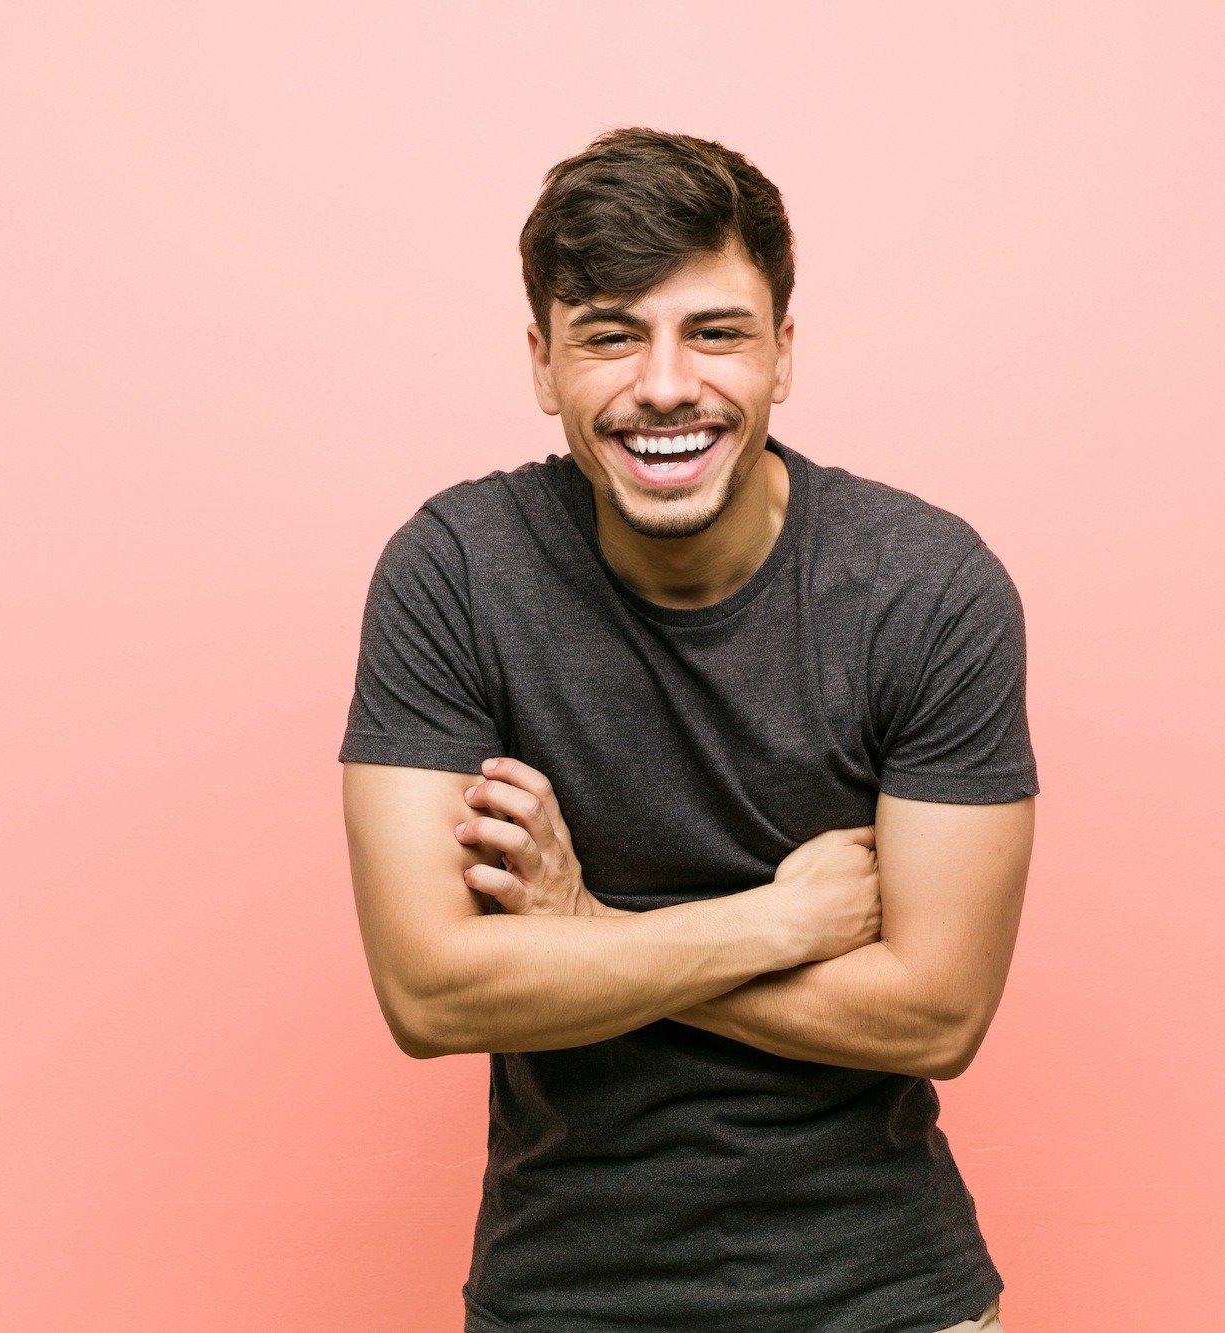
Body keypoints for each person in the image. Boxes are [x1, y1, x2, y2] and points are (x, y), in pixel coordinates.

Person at [340, 127, 1036, 1333]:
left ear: (781, 352)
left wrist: (587, 929)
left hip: (886, 1300)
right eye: (609, 333)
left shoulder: (925, 588)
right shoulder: (456, 573)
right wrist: (775, 923)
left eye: (713, 331)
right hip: (562, 1299)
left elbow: (934, 1014)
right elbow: (430, 994)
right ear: (543, 364)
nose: (665, 383)